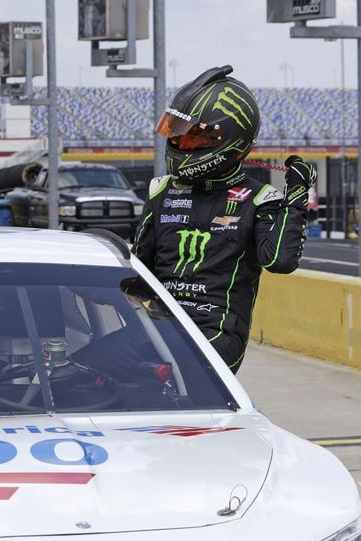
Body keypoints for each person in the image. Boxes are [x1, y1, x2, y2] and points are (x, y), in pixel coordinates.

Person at [132, 65, 315, 373]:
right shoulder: (160, 191)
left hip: (216, 331)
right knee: (81, 371)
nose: (180, 145)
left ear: (230, 139)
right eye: (177, 136)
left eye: (194, 140)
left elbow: (280, 262)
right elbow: (139, 273)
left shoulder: (260, 199)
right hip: (159, 324)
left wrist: (296, 195)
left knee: (169, 377)